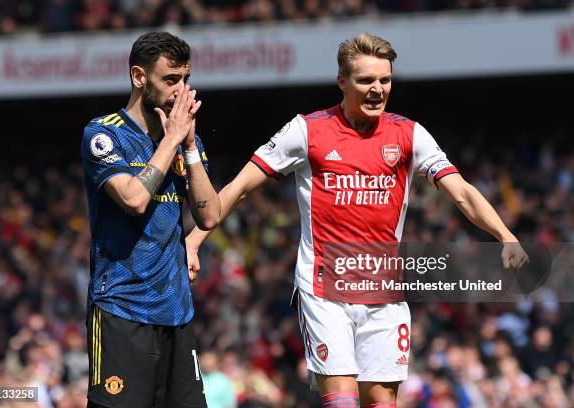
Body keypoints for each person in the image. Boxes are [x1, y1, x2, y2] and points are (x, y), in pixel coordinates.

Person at [185, 33, 528, 407]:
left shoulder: (410, 135)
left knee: (381, 402)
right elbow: (241, 186)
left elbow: (460, 190)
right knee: (343, 402)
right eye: (366, 80)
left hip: (384, 292)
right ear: (342, 82)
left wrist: (505, 235)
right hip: (324, 291)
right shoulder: (307, 130)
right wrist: (195, 239)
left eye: (385, 80)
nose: (378, 89)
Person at [80, 31, 219, 408]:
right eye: (170, 79)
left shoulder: (184, 140)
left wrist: (189, 146)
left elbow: (209, 216)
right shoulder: (104, 134)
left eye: (186, 79)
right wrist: (172, 140)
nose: (181, 90)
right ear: (139, 77)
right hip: (121, 311)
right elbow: (134, 199)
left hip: (176, 311)